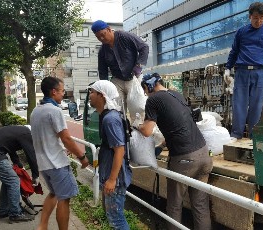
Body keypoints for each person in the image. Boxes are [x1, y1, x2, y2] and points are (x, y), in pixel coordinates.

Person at [137, 73, 213, 230]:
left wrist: (137, 125)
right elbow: (180, 124)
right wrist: (164, 144)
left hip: (184, 159)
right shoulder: (176, 94)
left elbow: (147, 131)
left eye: (144, 89)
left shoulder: (153, 100)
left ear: (149, 86)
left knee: (174, 206)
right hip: (204, 154)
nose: (145, 94)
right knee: (200, 205)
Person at [30, 77, 89, 230]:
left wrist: (62, 146)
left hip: (43, 163)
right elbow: (66, 138)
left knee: (54, 193)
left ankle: (42, 225)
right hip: (57, 163)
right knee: (64, 199)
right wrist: (82, 157)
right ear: (53, 91)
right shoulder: (54, 110)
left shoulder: (36, 110)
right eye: (62, 91)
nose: (63, 94)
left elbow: (48, 135)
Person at [224, 2, 263, 140]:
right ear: (250, 17)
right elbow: (234, 51)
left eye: (262, 17)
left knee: (257, 104)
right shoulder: (241, 32)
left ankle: (254, 135)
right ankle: (236, 134)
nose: (259, 21)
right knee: (239, 103)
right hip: (242, 71)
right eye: (256, 17)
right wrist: (227, 68)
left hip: (260, 72)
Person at [88, 80, 133, 229]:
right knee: (114, 217)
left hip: (116, 178)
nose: (90, 95)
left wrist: (112, 179)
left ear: (102, 95)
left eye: (92, 92)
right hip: (114, 175)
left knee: (116, 219)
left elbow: (119, 149)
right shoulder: (109, 116)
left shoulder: (110, 119)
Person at [0, 125, 39, 223]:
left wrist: (18, 164)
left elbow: (10, 148)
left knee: (8, 181)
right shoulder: (27, 134)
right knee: (13, 181)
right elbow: (31, 154)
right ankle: (15, 214)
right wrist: (35, 175)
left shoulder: (18, 130)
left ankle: (3, 211)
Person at [91, 20, 149, 122]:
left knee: (137, 108)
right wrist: (104, 88)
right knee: (116, 109)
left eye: (102, 35)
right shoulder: (102, 51)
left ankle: (139, 133)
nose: (101, 38)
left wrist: (139, 65)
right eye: (98, 37)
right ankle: (122, 131)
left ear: (109, 29)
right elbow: (102, 71)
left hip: (133, 78)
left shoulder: (124, 36)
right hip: (117, 81)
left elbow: (144, 47)